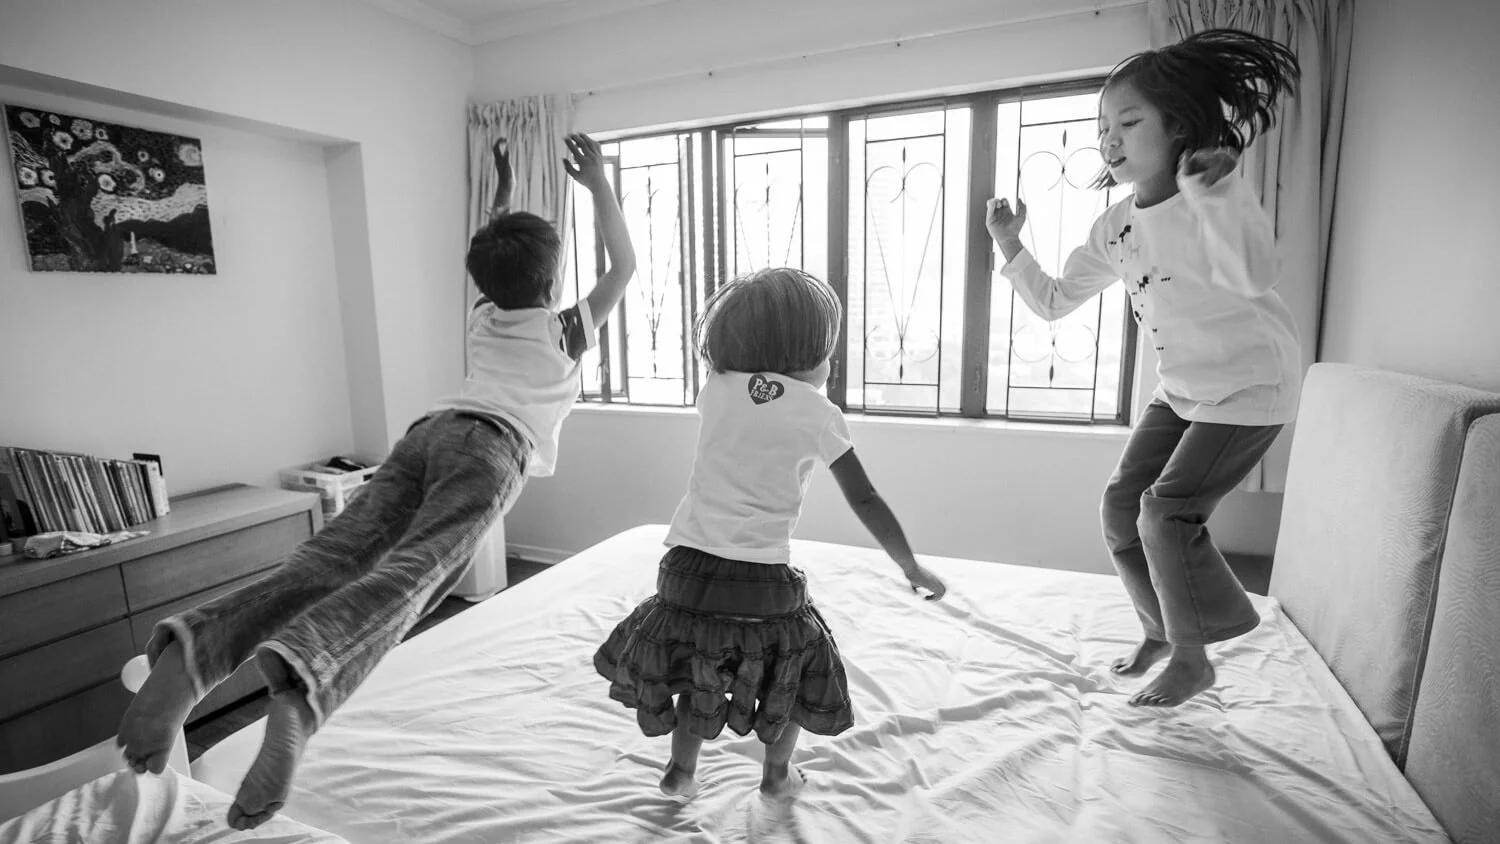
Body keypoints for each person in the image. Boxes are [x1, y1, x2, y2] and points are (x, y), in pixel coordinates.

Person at [117, 133, 636, 828]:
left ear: (486, 279)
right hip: (495, 449)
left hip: (431, 430)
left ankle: (195, 654)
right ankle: (303, 688)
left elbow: (497, 250)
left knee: (329, 557)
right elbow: (624, 265)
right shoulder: (565, 328)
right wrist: (598, 183)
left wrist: (505, 186)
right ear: (550, 282)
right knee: (409, 577)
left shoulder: (483, 315)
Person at [986, 29, 1302, 707]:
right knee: (1120, 509)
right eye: (1104, 128)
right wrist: (1010, 243)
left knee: (1165, 514)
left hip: (1250, 388)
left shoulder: (1209, 198)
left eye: (1128, 123)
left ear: (1178, 124)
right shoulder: (1114, 226)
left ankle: (1193, 657)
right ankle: (1162, 629)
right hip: (1182, 389)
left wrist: (1220, 196)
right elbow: (1053, 301)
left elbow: (1256, 275)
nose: (1110, 139)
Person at [595, 266, 948, 804]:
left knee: (696, 669)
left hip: (684, 570)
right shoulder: (820, 413)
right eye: (827, 354)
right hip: (759, 579)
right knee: (799, 669)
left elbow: (756, 390)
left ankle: (681, 771)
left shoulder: (716, 388)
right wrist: (910, 566)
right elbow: (865, 498)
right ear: (805, 356)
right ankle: (777, 776)